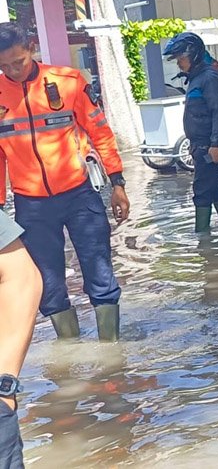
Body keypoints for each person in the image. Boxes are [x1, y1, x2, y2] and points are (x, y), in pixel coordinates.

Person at [0, 22, 128, 341]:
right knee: (48, 284)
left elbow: (100, 133)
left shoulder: (67, 81)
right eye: (4, 66)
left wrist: (118, 183)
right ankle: (70, 352)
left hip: (79, 196)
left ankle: (112, 351)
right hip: (32, 206)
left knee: (100, 273)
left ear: (32, 48)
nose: (13, 71)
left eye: (19, 62)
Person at [162, 32, 218, 232]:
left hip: (209, 145)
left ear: (194, 54)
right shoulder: (195, 78)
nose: (179, 63)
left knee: (202, 190)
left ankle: (203, 242)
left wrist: (215, 144)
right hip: (200, 145)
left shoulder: (209, 77)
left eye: (182, 58)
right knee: (215, 189)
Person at [0, 212, 42, 469]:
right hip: (32, 201)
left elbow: (21, 277)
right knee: (57, 300)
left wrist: (4, 385)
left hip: (72, 196)